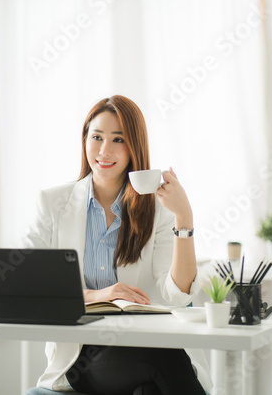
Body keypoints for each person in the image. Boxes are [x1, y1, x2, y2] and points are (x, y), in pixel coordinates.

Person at [22, 95, 212, 395]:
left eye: (118, 139)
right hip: (81, 359)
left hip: (140, 345)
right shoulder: (52, 204)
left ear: (134, 147)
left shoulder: (158, 210)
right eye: (96, 137)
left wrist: (184, 218)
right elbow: (26, 288)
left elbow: (177, 296)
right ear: (85, 139)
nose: (104, 150)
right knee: (161, 356)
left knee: (150, 388)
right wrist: (99, 295)